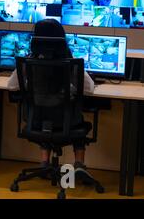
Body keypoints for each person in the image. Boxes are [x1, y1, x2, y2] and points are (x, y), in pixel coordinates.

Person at [7, 19, 95, 173]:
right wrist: (71, 89)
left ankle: (44, 163)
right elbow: (89, 89)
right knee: (76, 118)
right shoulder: (71, 62)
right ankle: (79, 165)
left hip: (36, 121)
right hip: (68, 123)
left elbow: (12, 86)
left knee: (45, 116)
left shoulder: (28, 62)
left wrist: (33, 87)